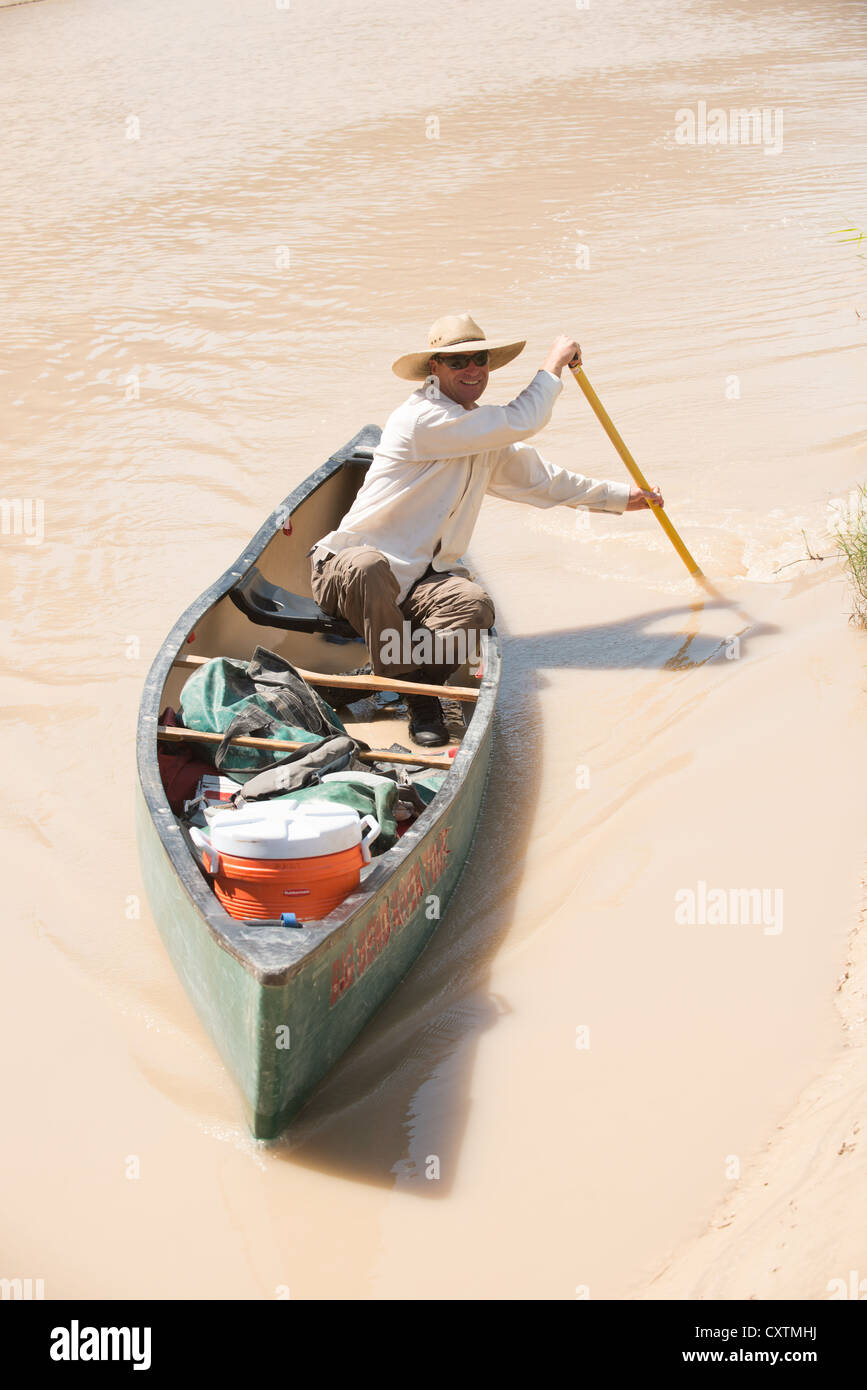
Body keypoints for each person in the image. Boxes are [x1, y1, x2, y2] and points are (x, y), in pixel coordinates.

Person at [308, 312, 663, 747]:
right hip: (344, 572)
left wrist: (620, 497)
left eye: (479, 359)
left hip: (420, 577)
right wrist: (553, 364)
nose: (472, 369)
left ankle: (385, 673)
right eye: (458, 362)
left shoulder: (481, 435)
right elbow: (522, 419)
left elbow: (544, 480)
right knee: (368, 564)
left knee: (474, 606)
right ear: (434, 370)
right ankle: (417, 694)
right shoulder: (422, 418)